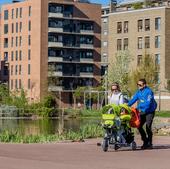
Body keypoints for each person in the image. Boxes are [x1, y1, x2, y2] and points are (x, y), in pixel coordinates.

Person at [128, 78, 157, 149]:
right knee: (139, 125)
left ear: (144, 85)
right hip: (143, 111)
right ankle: (145, 141)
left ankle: (150, 143)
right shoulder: (138, 92)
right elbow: (133, 99)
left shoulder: (149, 92)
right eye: (137, 84)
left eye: (140, 85)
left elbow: (148, 103)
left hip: (150, 111)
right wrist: (126, 105)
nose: (138, 86)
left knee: (148, 127)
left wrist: (139, 107)